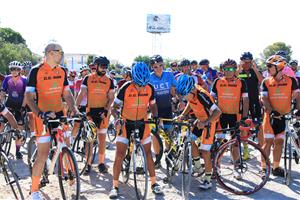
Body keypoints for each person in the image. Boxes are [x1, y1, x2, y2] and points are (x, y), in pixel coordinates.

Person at [25, 43, 78, 200]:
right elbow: (29, 97)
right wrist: (40, 114)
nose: (61, 54)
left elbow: (67, 94)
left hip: (59, 113)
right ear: (49, 53)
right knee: (42, 154)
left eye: (62, 51)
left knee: (66, 146)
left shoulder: (62, 71)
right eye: (58, 51)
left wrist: (74, 109)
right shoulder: (36, 71)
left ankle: (70, 174)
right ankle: (34, 190)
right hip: (42, 115)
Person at [109, 62, 163, 198]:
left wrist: (156, 116)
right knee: (119, 154)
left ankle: (154, 183)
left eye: (143, 84)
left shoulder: (149, 87)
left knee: (148, 154)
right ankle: (114, 186)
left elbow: (153, 105)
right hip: (125, 123)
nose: (141, 87)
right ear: (133, 79)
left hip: (142, 122)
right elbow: (113, 108)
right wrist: (117, 118)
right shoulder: (125, 88)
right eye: (139, 84)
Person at [176, 74, 221, 189]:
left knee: (204, 151)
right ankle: (198, 167)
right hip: (199, 120)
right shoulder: (191, 92)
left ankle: (207, 179)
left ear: (192, 89)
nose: (185, 98)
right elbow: (190, 104)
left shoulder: (201, 95)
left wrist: (205, 123)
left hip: (210, 122)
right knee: (188, 140)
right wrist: (182, 115)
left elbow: (217, 112)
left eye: (185, 95)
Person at [261, 55, 300, 177]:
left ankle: (276, 167)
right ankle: (263, 167)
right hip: (270, 117)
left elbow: (297, 96)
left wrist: (298, 110)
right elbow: (264, 98)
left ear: (279, 67)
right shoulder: (266, 81)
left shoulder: (291, 80)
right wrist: (272, 111)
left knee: (279, 142)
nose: (267, 69)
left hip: (284, 116)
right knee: (268, 142)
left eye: (269, 66)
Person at [210, 59, 249, 179]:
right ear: (222, 70)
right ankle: (217, 167)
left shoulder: (241, 82)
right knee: (219, 143)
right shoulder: (217, 81)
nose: (228, 71)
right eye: (226, 69)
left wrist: (245, 117)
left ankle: (236, 168)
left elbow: (246, 100)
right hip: (221, 116)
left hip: (235, 116)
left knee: (235, 143)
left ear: (235, 69)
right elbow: (211, 99)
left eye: (231, 69)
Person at [76, 56, 115, 174]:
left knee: (102, 139)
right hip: (90, 112)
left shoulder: (109, 81)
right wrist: (75, 108)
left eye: (106, 67)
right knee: (90, 140)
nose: (104, 69)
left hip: (103, 112)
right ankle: (88, 164)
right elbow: (81, 93)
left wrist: (106, 110)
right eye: (102, 66)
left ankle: (101, 163)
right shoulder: (88, 78)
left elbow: (111, 98)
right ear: (96, 66)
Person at [149, 55, 177, 168]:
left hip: (167, 109)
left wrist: (177, 100)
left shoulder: (169, 75)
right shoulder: (149, 77)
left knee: (168, 134)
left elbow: (174, 90)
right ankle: (157, 158)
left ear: (163, 65)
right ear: (152, 67)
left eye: (160, 66)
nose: (158, 68)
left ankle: (169, 156)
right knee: (155, 136)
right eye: (155, 67)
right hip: (155, 110)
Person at [1, 61, 27, 159]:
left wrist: (23, 107)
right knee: (1, 124)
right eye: (12, 69)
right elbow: (3, 92)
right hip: (9, 104)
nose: (14, 71)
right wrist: (1, 103)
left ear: (20, 70)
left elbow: (26, 95)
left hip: (20, 106)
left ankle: (17, 151)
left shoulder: (24, 80)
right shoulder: (7, 78)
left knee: (19, 128)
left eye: (16, 69)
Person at [237, 52, 264, 149]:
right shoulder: (239, 72)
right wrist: (239, 69)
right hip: (242, 103)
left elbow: (262, 81)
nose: (247, 64)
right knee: (242, 125)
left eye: (249, 62)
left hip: (254, 101)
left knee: (259, 125)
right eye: (245, 62)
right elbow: (234, 79)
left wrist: (256, 70)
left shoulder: (254, 71)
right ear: (241, 62)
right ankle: (245, 149)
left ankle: (262, 148)